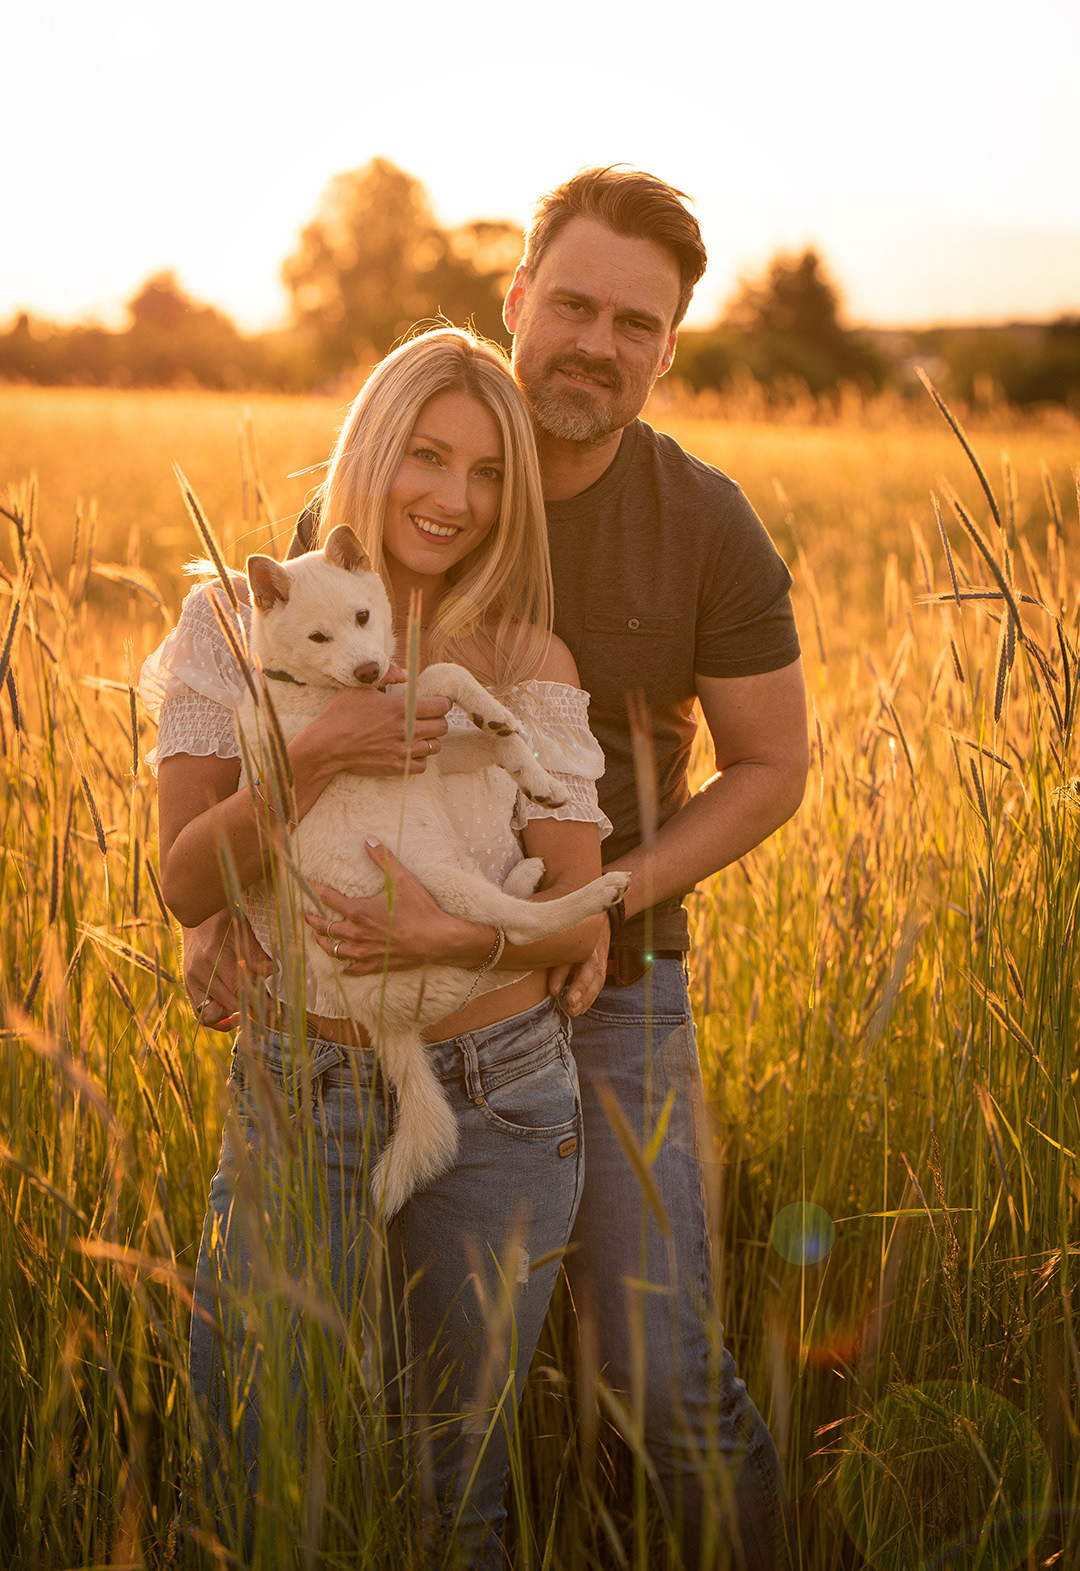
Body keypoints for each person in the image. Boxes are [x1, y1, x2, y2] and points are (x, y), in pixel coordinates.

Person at [188, 169, 809, 1570]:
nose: (597, 343)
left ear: (669, 348)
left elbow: (773, 765)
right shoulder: (388, 497)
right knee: (346, 1402)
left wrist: (594, 908)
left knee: (656, 1368)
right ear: (517, 298)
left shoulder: (702, 524)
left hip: (612, 980)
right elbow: (269, 731)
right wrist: (214, 911)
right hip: (373, 997)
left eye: (635, 323)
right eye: (574, 304)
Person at [142, 327, 618, 1567]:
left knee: (451, 1504)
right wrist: (316, 753)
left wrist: (451, 930)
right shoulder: (232, 624)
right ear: (371, 451)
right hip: (296, 1087)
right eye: (427, 454)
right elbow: (184, 881)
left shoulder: (521, 656)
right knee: (252, 1479)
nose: (455, 497)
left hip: (500, 1098)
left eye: (489, 471)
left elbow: (580, 914)